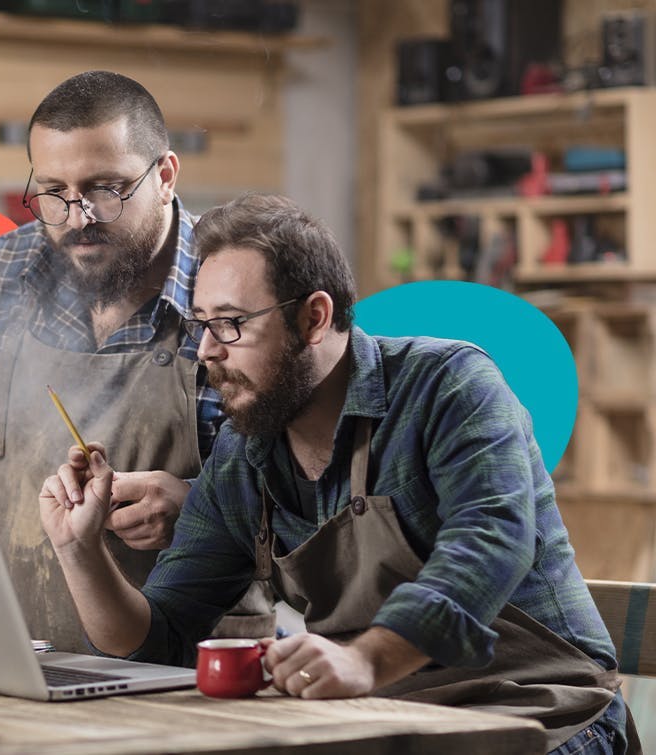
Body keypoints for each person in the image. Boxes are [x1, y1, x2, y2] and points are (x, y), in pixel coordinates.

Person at [40, 192, 634, 753]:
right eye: (201, 325)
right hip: (383, 724)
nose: (208, 351)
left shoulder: (450, 385)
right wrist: (80, 550)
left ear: (314, 318)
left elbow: (490, 545)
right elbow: (160, 636)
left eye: (231, 323)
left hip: (541, 717)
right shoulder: (244, 455)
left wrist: (366, 660)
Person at [0, 70, 272, 650]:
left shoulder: (236, 290)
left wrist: (197, 507)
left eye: (107, 188)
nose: (79, 217)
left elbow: (293, 493)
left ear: (167, 176)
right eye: (55, 192)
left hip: (187, 667)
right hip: (13, 654)